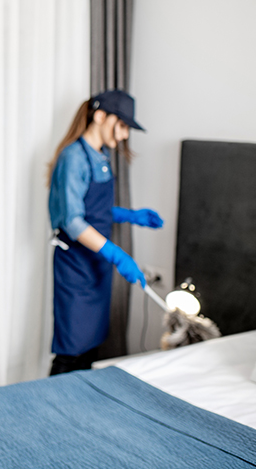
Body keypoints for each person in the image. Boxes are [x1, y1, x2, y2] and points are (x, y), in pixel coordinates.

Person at [46, 90, 162, 376]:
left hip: (96, 265)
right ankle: (49, 407)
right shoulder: (73, 157)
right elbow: (73, 221)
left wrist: (130, 216)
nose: (124, 135)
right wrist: (116, 252)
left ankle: (79, 411)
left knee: (90, 346)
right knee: (71, 350)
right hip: (76, 265)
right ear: (100, 116)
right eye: (122, 125)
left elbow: (94, 211)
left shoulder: (102, 155)